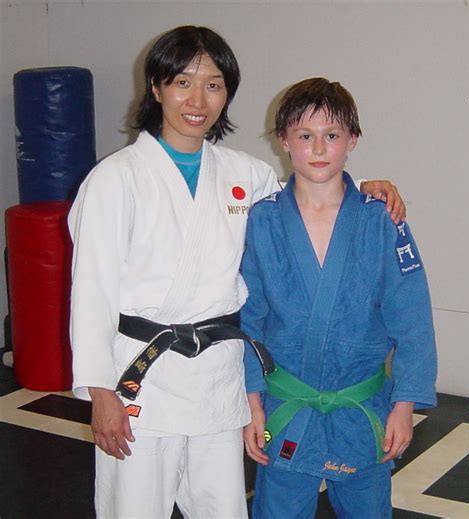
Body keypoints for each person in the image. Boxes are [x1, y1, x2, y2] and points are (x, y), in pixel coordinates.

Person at [68, 26, 406, 519]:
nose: (197, 99)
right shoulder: (115, 180)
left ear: (227, 94)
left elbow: (312, 196)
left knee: (222, 509)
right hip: (142, 380)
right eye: (183, 82)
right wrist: (100, 392)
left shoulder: (246, 175)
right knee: (134, 509)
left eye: (214, 84)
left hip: (217, 382)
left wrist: (370, 189)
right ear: (157, 87)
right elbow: (91, 293)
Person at [241, 77, 437, 519]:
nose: (318, 148)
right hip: (286, 407)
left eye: (332, 136)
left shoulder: (381, 219)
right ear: (284, 141)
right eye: (305, 136)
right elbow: (247, 322)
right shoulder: (264, 221)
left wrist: (404, 405)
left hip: (361, 406)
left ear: (352, 140)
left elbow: (412, 319)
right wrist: (251, 403)